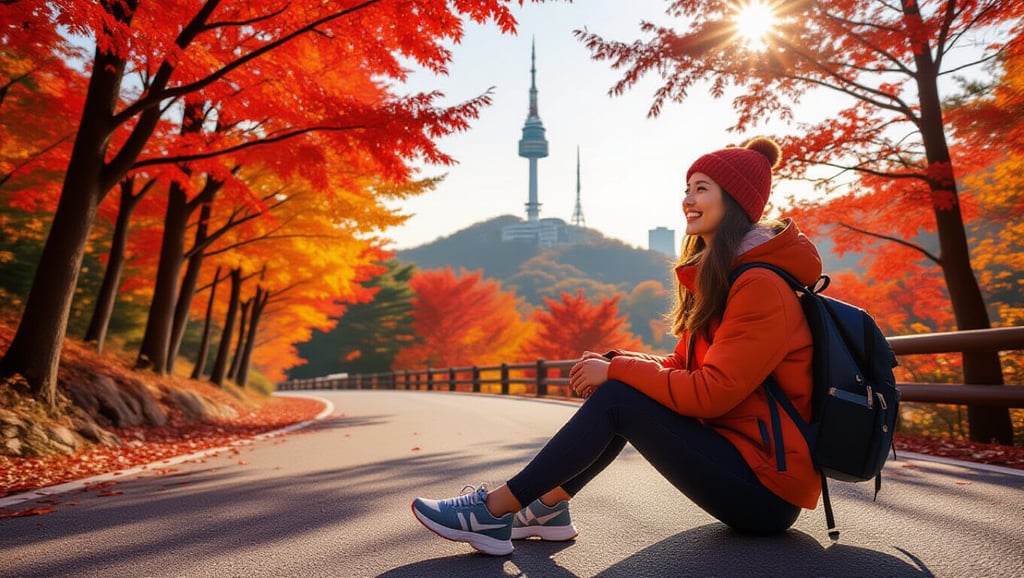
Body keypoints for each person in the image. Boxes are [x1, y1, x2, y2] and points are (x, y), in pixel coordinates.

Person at [411, 137, 823, 556]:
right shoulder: (726, 279)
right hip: (742, 463)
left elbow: (711, 393)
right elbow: (682, 364)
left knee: (619, 397)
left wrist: (617, 373)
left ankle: (492, 511)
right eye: (687, 189)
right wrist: (618, 360)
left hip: (766, 490)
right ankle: (547, 508)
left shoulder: (760, 286)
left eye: (702, 188)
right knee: (621, 389)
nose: (688, 200)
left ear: (734, 201)